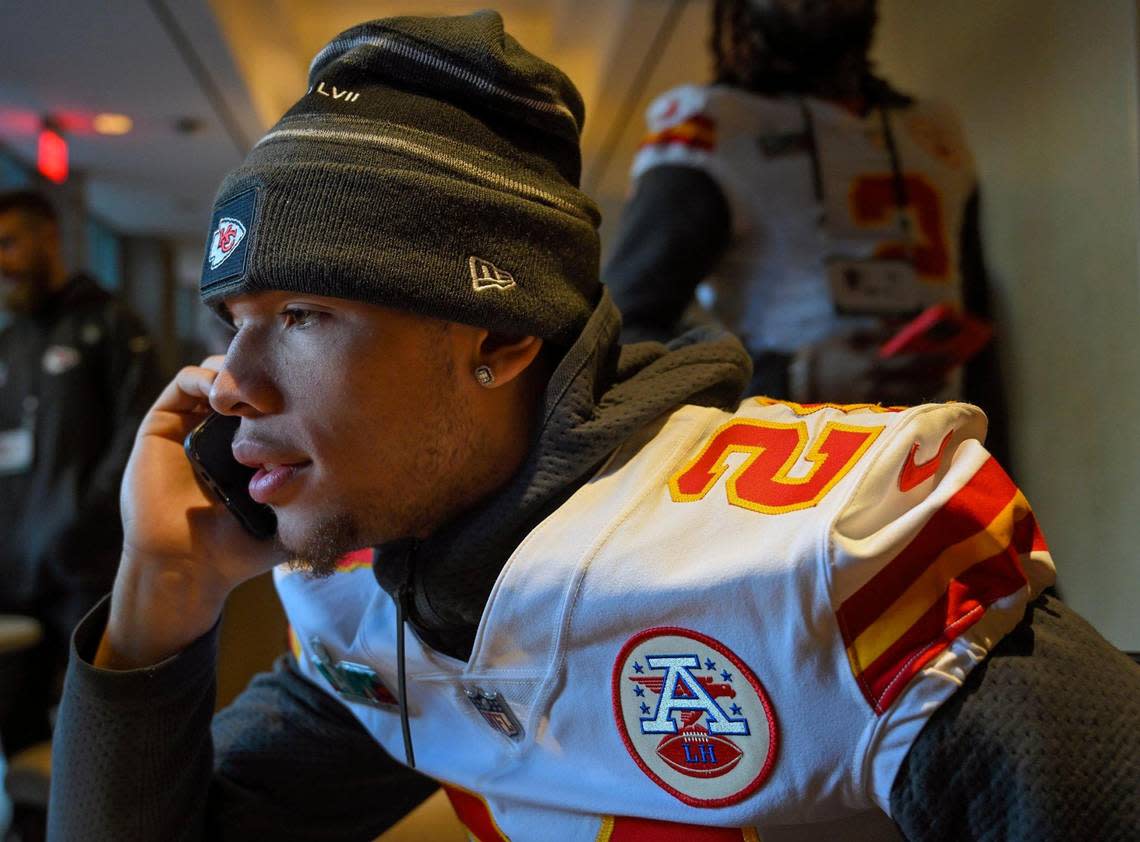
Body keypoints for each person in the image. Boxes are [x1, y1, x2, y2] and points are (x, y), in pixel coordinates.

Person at [48, 12, 1138, 842]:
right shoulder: (391, 599)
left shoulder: (822, 555)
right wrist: (158, 602)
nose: (228, 381)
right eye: (231, 321)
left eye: (302, 315)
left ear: (501, 335)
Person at [605, 0, 1009, 463]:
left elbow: (980, 327)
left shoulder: (935, 130)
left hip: (945, 463)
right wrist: (791, 377)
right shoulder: (714, 127)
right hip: (791, 469)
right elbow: (626, 338)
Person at [0, 190, 163, 752]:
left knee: (88, 727)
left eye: (10, 243)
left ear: (49, 238)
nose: (2, 262)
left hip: (84, 569)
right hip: (14, 570)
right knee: (14, 726)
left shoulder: (111, 324)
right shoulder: (10, 341)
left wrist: (79, 522)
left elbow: (139, 437)